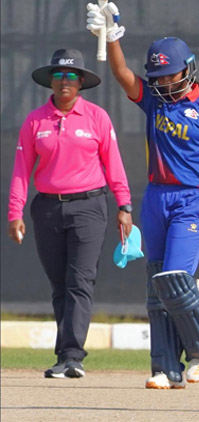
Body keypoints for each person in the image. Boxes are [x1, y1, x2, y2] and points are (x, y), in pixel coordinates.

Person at [86, 3, 199, 389]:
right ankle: (165, 368)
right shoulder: (154, 101)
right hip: (156, 197)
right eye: (157, 75)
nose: (162, 82)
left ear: (188, 70)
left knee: (175, 277)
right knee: (158, 286)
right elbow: (122, 74)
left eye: (169, 74)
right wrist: (112, 35)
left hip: (194, 199)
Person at [7, 48, 132, 379]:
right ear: (51, 81)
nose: (65, 82)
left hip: (89, 206)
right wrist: (14, 212)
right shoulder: (35, 121)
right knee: (60, 284)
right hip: (47, 208)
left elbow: (114, 163)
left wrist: (124, 204)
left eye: (72, 76)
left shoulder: (97, 118)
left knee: (80, 280)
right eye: (60, 76)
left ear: (80, 83)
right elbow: (21, 169)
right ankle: (65, 356)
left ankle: (73, 355)